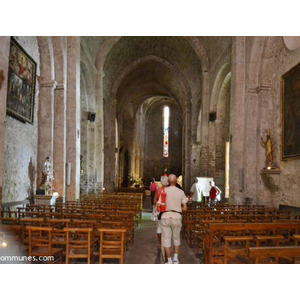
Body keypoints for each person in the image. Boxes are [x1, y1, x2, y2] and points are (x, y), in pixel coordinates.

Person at [157, 174, 187, 264]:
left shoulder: (163, 191)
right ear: (176, 181)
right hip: (177, 216)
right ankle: (176, 259)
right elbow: (185, 208)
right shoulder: (181, 192)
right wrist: (177, 207)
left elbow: (158, 204)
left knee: (166, 239)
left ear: (168, 182)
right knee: (176, 238)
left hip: (165, 216)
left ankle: (169, 260)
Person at [153, 175, 169, 248]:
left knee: (159, 227)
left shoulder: (158, 190)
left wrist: (157, 203)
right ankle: (166, 243)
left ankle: (160, 243)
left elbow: (154, 201)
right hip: (168, 211)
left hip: (160, 211)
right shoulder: (170, 190)